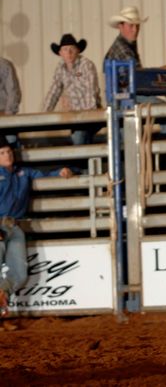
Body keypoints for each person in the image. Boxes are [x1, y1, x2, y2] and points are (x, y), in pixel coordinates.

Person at [0, 136, 74, 316]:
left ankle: (2, 294)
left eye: (9, 151)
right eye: (2, 153)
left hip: (15, 226)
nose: (7, 155)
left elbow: (44, 174)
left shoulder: (23, 172)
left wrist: (60, 172)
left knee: (20, 274)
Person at [43, 34, 102, 145]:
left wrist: (88, 116)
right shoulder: (60, 68)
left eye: (72, 49)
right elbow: (54, 91)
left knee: (79, 138)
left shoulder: (86, 65)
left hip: (90, 115)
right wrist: (44, 114)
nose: (69, 53)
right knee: (80, 140)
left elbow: (91, 92)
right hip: (75, 118)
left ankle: (81, 161)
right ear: (60, 53)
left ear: (78, 51)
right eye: (65, 50)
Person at [105, 6, 166, 70]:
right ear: (121, 26)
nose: (135, 30)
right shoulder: (122, 48)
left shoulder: (127, 45)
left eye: (137, 25)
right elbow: (140, 75)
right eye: (131, 26)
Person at [0, 56, 21, 147]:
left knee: (10, 142)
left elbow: (13, 92)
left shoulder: (4, 65)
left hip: (3, 115)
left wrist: (8, 115)